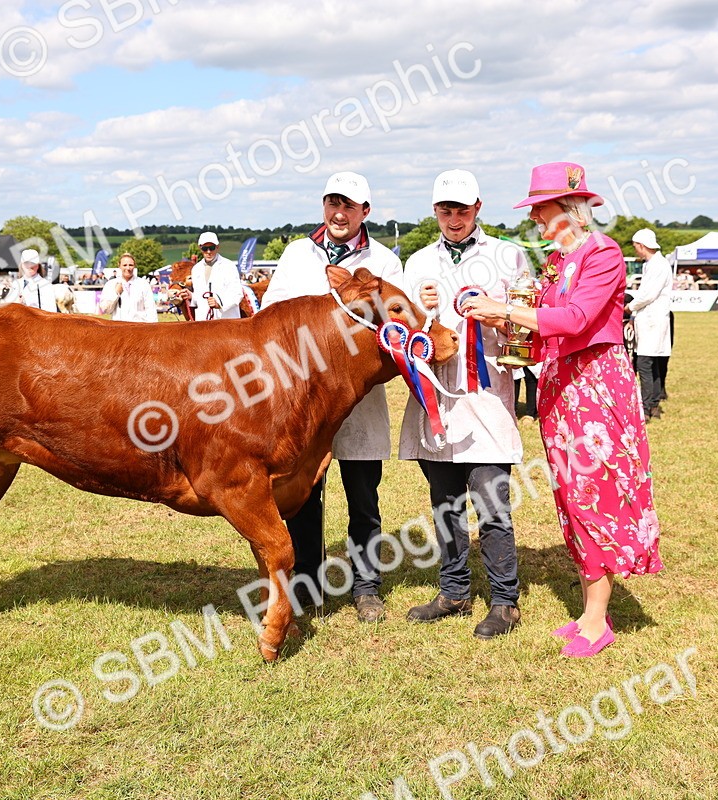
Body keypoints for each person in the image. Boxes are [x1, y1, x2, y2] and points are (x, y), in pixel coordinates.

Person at [461, 161, 663, 657]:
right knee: (572, 497)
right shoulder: (557, 260)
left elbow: (575, 319)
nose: (535, 219)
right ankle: (591, 611)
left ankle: (598, 618)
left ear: (571, 207)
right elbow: (543, 326)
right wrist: (509, 327)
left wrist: (504, 310)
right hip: (559, 386)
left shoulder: (604, 253)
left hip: (596, 386)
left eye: (541, 208)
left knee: (597, 493)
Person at [261, 171, 403, 623]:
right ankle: (306, 583)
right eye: (332, 203)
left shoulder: (384, 261)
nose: (339, 213)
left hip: (358, 401)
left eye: (349, 205)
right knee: (303, 496)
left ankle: (366, 587)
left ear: (366, 211)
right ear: (324, 206)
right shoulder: (297, 254)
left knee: (363, 497)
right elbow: (271, 318)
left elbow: (397, 328)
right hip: (303, 403)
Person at [400, 169, 527, 639]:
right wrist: (420, 307)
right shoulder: (416, 263)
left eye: (462, 209)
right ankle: (453, 591)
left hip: (488, 395)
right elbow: (400, 336)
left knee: (492, 503)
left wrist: (496, 310)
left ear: (478, 208)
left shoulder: (507, 255)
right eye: (445, 210)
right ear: (435, 211)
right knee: (445, 504)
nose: (454, 219)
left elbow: (526, 331)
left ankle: (504, 601)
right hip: (436, 401)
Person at [628, 228, 672, 421]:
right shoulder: (652, 264)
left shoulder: (658, 265)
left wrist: (630, 307)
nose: (636, 250)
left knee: (645, 364)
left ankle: (646, 407)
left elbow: (648, 294)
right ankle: (653, 403)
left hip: (653, 319)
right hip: (649, 319)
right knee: (651, 363)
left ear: (641, 245)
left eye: (636, 246)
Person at [180, 232, 243, 320]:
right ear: (200, 248)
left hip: (226, 322)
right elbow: (200, 297)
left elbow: (237, 294)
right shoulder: (196, 269)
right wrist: (191, 296)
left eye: (212, 248)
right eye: (205, 248)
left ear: (217, 247)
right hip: (204, 322)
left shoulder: (229, 266)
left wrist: (220, 304)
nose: (208, 252)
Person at [98, 253, 159, 322]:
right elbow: (105, 309)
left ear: (134, 266)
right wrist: (116, 293)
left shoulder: (143, 284)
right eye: (124, 265)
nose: (128, 268)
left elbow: (151, 309)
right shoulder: (111, 284)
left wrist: (152, 329)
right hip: (119, 328)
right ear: (119, 266)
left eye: (131, 265)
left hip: (139, 328)